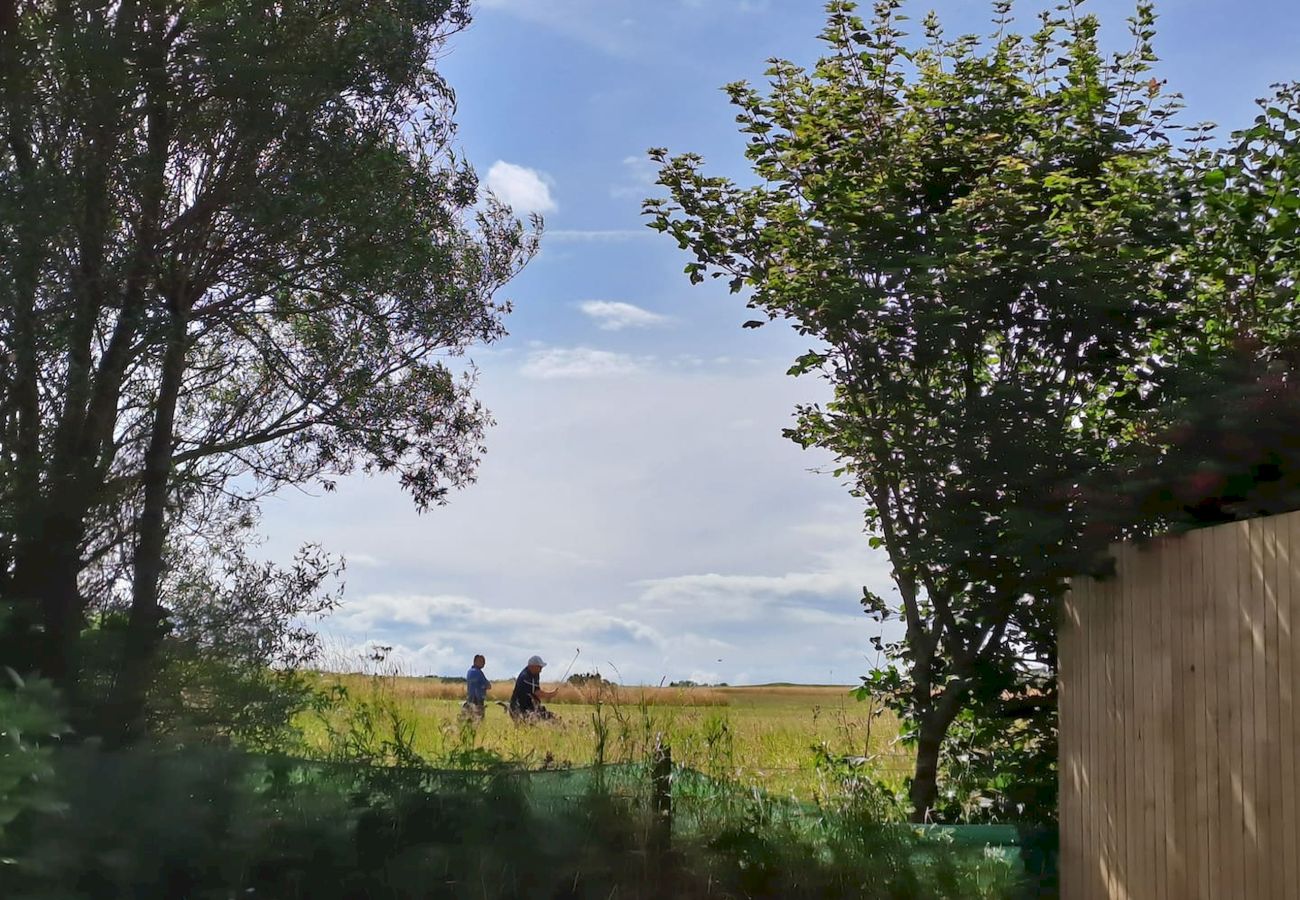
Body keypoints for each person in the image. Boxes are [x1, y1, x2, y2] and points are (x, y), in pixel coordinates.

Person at [509, 654, 558, 722]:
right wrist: (551, 694)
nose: (541, 670)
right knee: (526, 727)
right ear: (532, 666)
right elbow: (537, 693)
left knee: (553, 718)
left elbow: (536, 690)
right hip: (519, 708)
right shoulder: (525, 677)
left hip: (530, 707)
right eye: (539, 667)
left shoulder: (535, 674)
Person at [462, 654, 491, 721]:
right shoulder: (479, 672)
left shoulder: (469, 672)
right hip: (478, 700)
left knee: (470, 718)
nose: (484, 664)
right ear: (476, 661)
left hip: (469, 699)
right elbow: (488, 686)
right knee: (479, 720)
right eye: (482, 662)